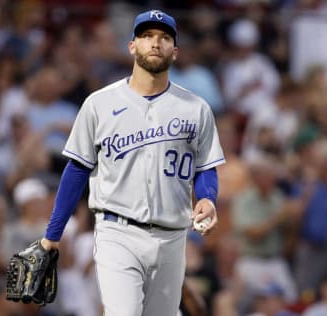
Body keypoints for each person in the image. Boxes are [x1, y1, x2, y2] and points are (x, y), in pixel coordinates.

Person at [37, 9, 225, 316]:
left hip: (172, 235)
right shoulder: (99, 103)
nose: (155, 43)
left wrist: (208, 197)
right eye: (147, 36)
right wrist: (52, 236)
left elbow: (205, 167)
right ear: (132, 46)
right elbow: (77, 170)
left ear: (174, 52)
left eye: (164, 38)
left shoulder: (196, 108)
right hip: (117, 231)